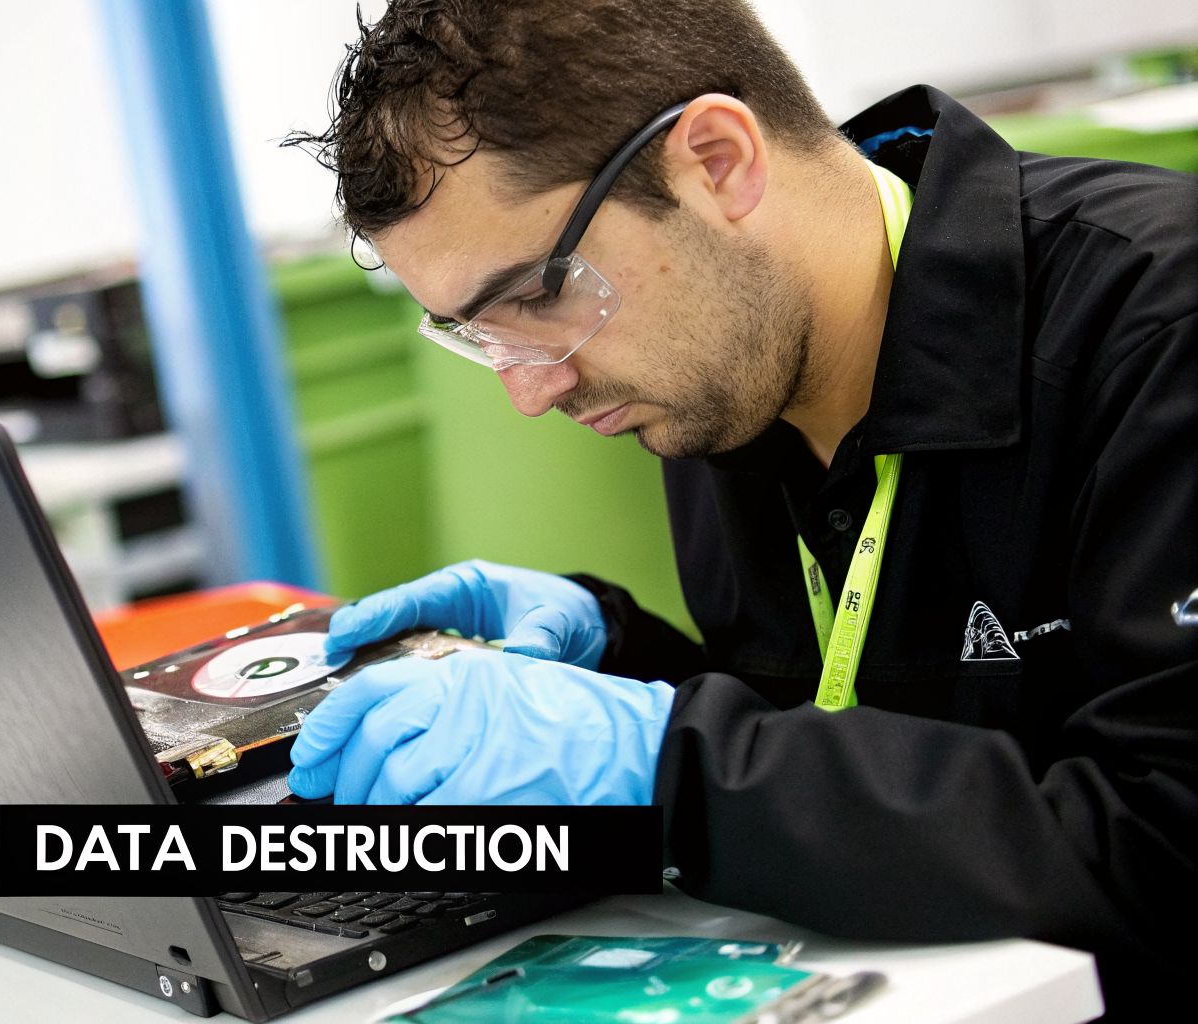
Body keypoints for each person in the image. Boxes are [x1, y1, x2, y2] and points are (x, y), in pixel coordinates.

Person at [283, 0, 1197, 1013]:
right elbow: (867, 741)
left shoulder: (1161, 325)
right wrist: (616, 658)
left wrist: (668, 761)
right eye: (477, 332)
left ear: (718, 162)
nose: (532, 390)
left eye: (537, 296)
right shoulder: (724, 370)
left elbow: (1162, 847)